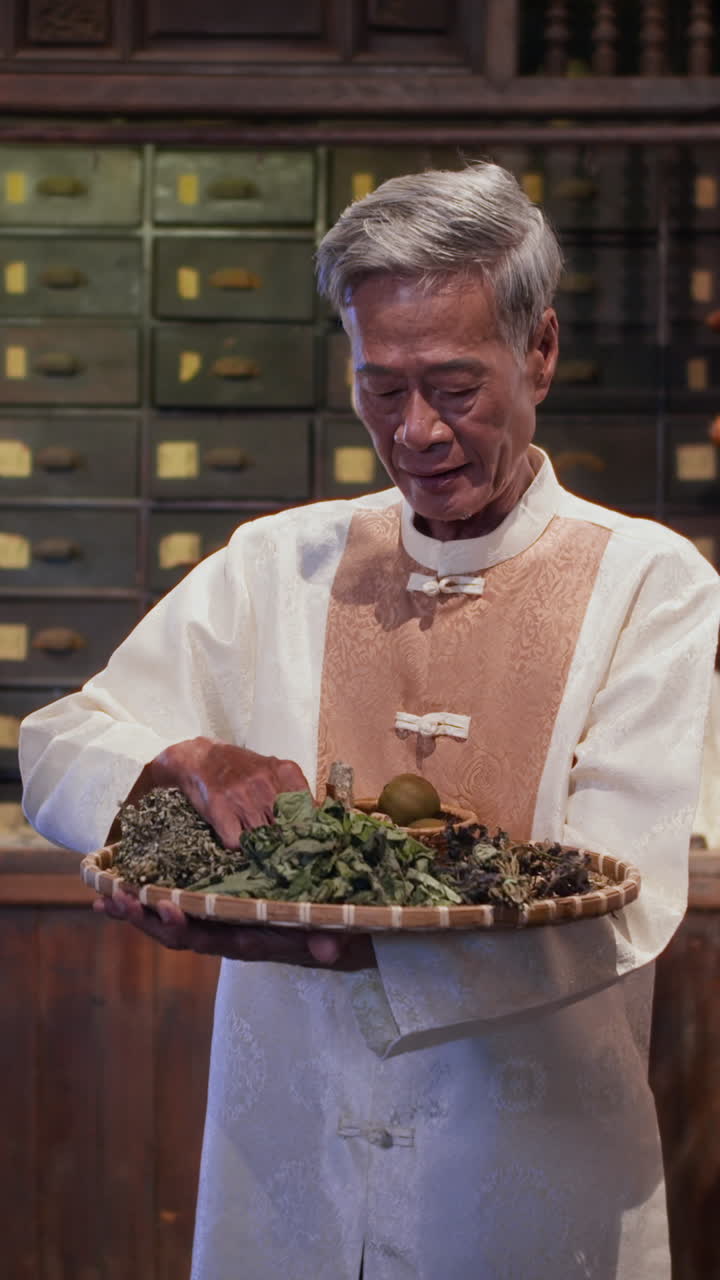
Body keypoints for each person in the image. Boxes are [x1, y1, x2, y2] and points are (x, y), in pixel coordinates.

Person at [20, 162, 720, 1280]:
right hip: (287, 1158)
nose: (417, 431)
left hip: (528, 1174)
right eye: (381, 388)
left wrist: (335, 945)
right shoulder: (277, 562)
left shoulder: (649, 583)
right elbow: (54, 741)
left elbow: (625, 902)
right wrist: (185, 758)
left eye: (454, 384)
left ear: (538, 350)